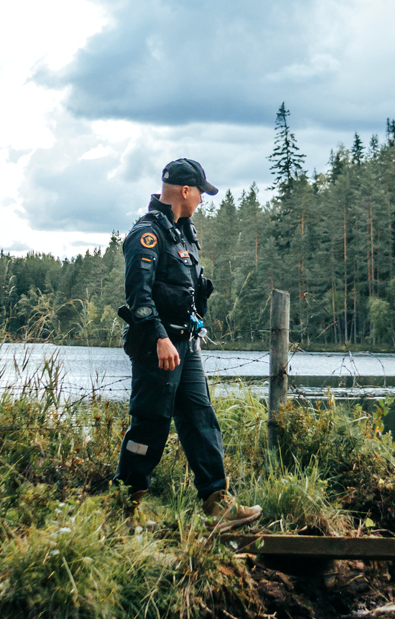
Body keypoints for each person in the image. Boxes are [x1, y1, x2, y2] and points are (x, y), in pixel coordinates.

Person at [115, 158, 261, 531]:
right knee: (150, 424)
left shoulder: (184, 233)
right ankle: (124, 507)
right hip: (157, 346)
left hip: (186, 343)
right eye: (200, 192)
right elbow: (139, 296)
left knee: (200, 418)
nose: (202, 199)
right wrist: (161, 337)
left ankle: (217, 503)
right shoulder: (147, 234)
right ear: (184, 190)